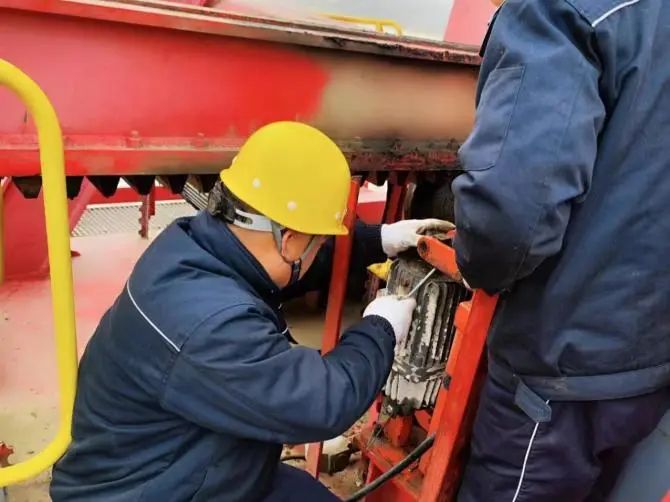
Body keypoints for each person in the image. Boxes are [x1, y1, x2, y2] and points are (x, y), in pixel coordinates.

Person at [50, 121, 452, 501]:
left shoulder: (194, 248)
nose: (317, 250)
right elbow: (323, 401)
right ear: (288, 240)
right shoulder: (212, 327)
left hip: (180, 463)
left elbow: (288, 266)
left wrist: (379, 239)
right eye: (317, 241)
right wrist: (380, 328)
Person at [453, 0, 670, 500]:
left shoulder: (563, 10)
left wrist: (478, 264)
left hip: (557, 376)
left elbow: (510, 217)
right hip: (650, 367)